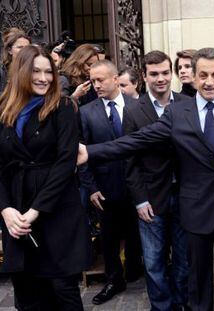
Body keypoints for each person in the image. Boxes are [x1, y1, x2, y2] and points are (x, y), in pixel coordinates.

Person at [77, 47, 214, 311]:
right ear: (193, 76)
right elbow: (136, 141)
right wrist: (90, 151)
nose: (209, 82)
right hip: (195, 210)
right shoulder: (179, 113)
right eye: (203, 75)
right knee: (198, 280)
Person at [0, 45, 90, 310]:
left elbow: (65, 164)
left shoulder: (63, 107)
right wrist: (5, 209)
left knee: (63, 290)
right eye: (35, 71)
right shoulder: (4, 109)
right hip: (17, 211)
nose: (43, 78)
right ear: (20, 73)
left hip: (57, 210)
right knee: (28, 294)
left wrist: (35, 211)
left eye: (48, 72)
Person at [123, 50, 189, 310]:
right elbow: (130, 161)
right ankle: (161, 307)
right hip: (151, 199)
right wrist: (140, 200)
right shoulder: (133, 111)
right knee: (153, 262)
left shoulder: (186, 104)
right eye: (154, 74)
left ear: (171, 73)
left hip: (185, 196)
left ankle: (181, 304)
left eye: (165, 73)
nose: (160, 78)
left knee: (185, 260)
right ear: (144, 76)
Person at [79, 60, 141, 305]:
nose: (96, 85)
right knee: (109, 238)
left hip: (137, 187)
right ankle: (114, 279)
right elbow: (81, 154)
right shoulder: (86, 112)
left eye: (101, 80)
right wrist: (91, 187)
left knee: (137, 235)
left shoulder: (138, 107)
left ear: (116, 79)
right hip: (104, 189)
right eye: (93, 81)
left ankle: (137, 271)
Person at [0, 27, 31, 93]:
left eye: (27, 47)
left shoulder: (34, 69)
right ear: (9, 50)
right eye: (20, 47)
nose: (24, 50)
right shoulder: (2, 71)